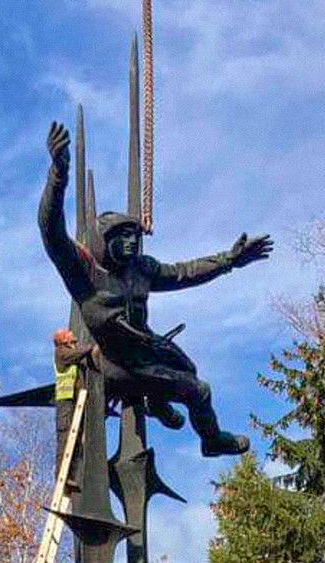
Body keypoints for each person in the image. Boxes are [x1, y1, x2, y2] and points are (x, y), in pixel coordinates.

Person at [38, 122, 273, 457]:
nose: (133, 241)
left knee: (186, 367)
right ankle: (211, 440)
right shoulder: (85, 274)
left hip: (146, 350)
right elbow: (51, 230)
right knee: (200, 391)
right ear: (105, 240)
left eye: (136, 234)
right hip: (119, 366)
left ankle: (158, 403)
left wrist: (229, 261)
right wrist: (58, 173)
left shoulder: (141, 269)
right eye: (123, 235)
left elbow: (184, 272)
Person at [53, 327, 95, 484]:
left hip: (76, 399)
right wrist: (91, 346)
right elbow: (76, 354)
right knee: (65, 438)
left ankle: (71, 476)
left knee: (77, 439)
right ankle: (62, 476)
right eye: (68, 333)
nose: (72, 333)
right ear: (63, 339)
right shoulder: (61, 352)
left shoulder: (70, 349)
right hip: (66, 400)